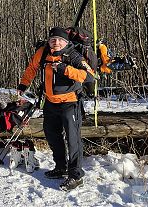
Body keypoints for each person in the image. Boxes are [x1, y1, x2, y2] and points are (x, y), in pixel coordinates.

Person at [18, 27, 94, 191]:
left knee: (73, 139)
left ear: (66, 42)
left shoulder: (73, 55)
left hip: (70, 102)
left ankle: (76, 175)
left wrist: (65, 69)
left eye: (60, 40)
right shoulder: (43, 52)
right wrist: (23, 84)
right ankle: (61, 167)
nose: (56, 43)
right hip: (50, 102)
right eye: (53, 40)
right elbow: (32, 68)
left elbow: (88, 75)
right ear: (49, 41)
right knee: (52, 135)